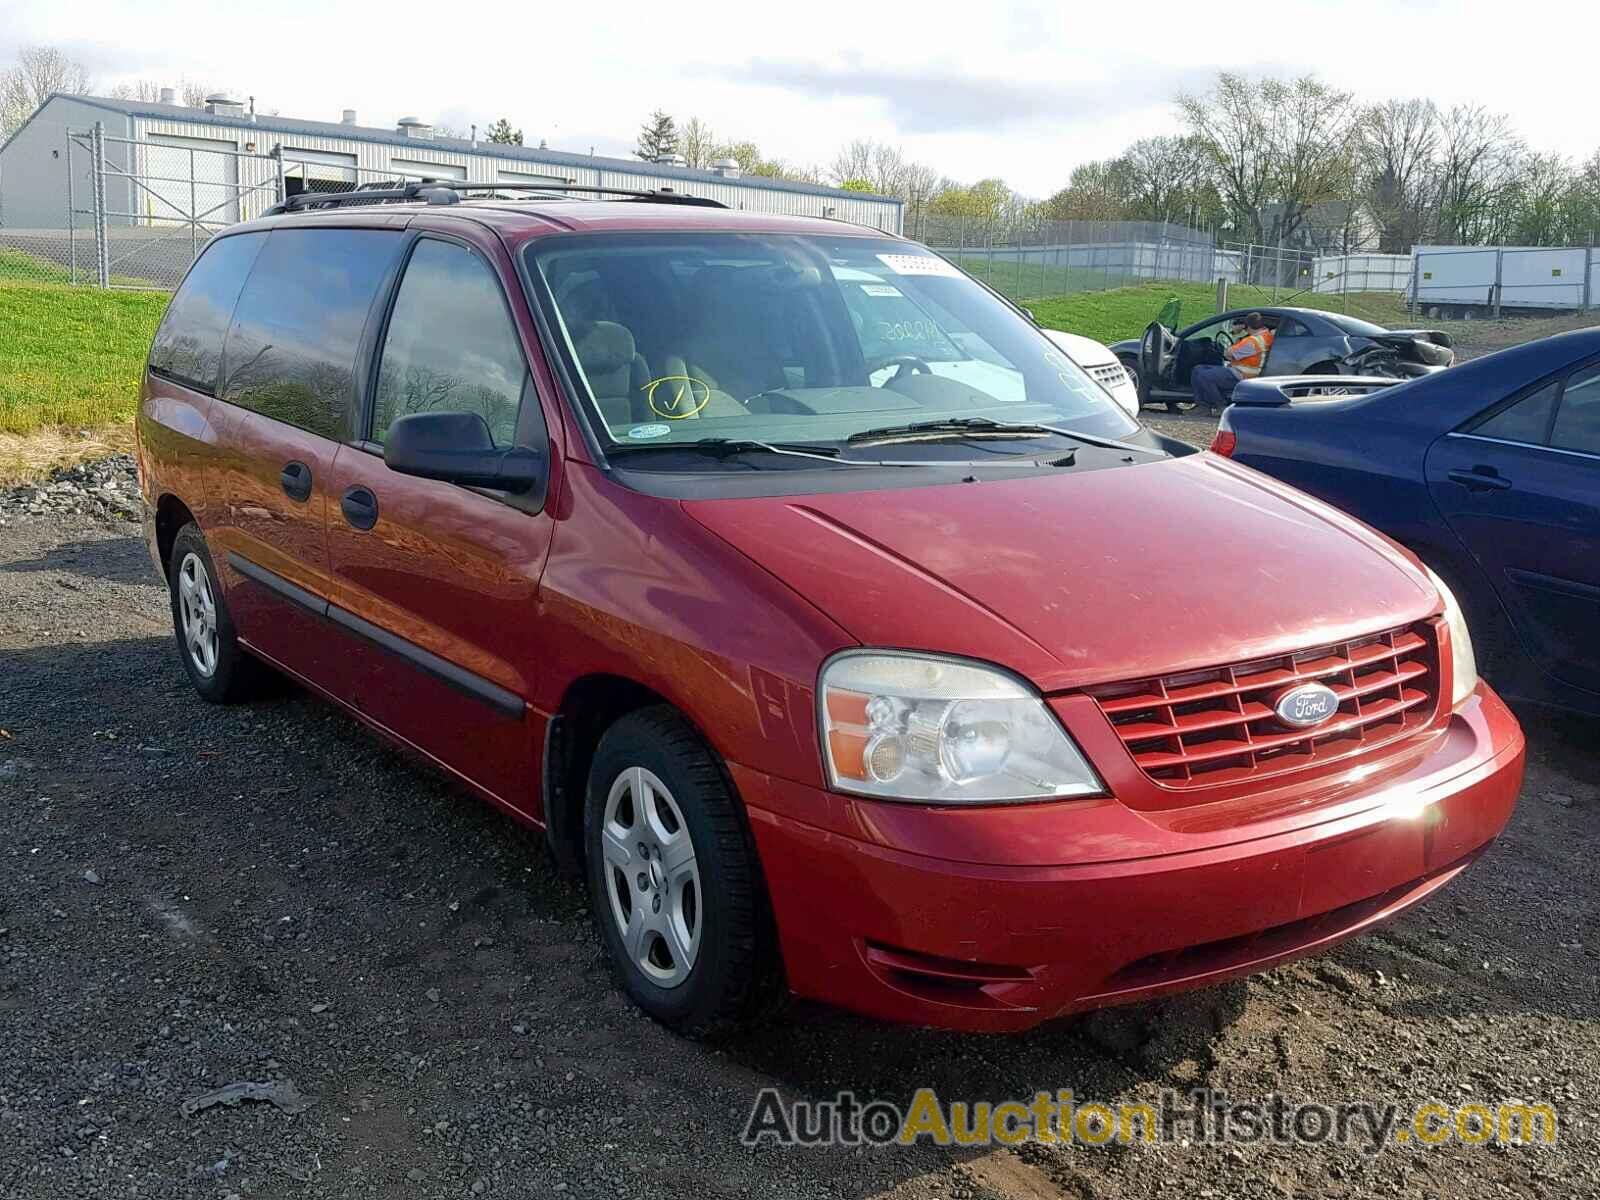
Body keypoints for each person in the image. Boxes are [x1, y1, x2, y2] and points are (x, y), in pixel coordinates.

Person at [1190, 312, 1274, 415]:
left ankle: (1220, 406)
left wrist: (1237, 332)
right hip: (1245, 372)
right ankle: (1203, 406)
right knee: (1198, 369)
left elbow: (1228, 354)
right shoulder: (1266, 335)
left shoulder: (1252, 341)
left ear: (1246, 326)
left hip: (1242, 375)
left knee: (1204, 375)